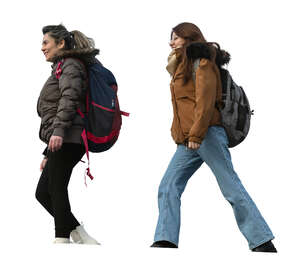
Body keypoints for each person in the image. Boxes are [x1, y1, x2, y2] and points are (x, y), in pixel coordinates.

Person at [151, 22, 276, 252]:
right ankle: (165, 240)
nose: (171, 42)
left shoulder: (203, 63)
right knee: (168, 185)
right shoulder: (180, 65)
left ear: (189, 39)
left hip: (206, 134)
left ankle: (262, 241)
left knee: (230, 187)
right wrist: (180, 133)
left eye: (176, 38)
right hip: (189, 138)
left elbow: (205, 103)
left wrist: (197, 134)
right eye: (172, 38)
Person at [36, 24, 99, 244]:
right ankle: (81, 235)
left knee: (55, 188)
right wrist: (47, 152)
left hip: (70, 137)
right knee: (43, 193)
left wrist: (60, 132)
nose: (42, 47)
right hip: (63, 136)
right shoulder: (62, 66)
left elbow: (69, 100)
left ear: (60, 43)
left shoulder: (70, 65)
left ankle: (61, 239)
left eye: (46, 42)